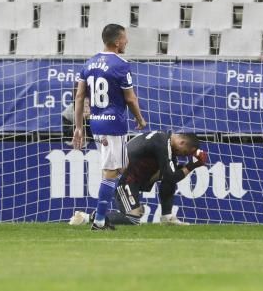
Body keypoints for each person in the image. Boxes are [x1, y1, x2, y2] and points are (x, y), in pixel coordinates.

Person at [71, 23, 147, 231]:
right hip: (114, 124)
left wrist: (79, 127)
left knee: (121, 167)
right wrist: (140, 119)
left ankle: (100, 216)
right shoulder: (121, 64)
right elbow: (130, 99)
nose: (127, 42)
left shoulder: (88, 64)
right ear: (116, 42)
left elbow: (79, 96)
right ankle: (99, 220)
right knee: (111, 172)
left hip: (96, 122)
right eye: (124, 39)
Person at [71, 132, 209, 226]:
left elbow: (171, 175)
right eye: (183, 152)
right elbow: (172, 176)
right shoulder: (162, 144)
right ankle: (86, 217)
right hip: (124, 180)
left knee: (169, 176)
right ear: (181, 141)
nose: (181, 155)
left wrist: (190, 165)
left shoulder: (165, 142)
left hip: (137, 178)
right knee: (132, 219)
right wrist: (193, 165)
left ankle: (167, 217)